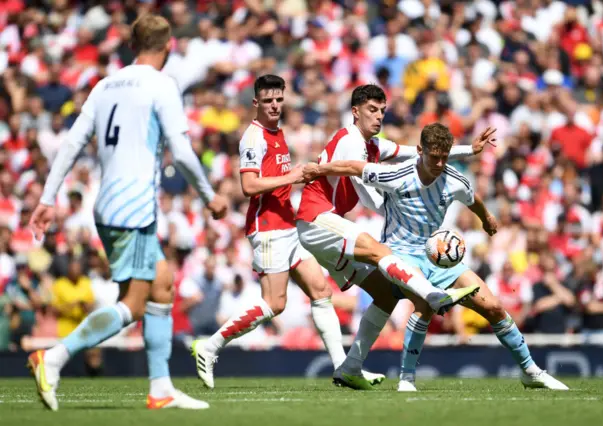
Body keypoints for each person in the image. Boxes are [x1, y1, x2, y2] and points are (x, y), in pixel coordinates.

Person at [27, 14, 228, 411]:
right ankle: (53, 357)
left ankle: (161, 388)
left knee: (163, 284)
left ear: (132, 45)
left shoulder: (104, 85)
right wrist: (208, 195)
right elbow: (182, 149)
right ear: (168, 47)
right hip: (134, 208)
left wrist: (48, 199)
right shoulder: (162, 84)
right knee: (132, 305)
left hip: (108, 203)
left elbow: (71, 144)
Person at [303, 123, 569, 392]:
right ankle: (407, 380)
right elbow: (354, 168)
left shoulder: (454, 179)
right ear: (420, 151)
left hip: (438, 257)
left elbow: (472, 198)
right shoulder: (396, 175)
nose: (440, 163)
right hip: (400, 256)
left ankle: (531, 371)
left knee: (494, 307)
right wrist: (319, 169)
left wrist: (486, 218)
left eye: (444, 156)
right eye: (434, 157)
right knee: (424, 304)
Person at [190, 75, 385, 389]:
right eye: (268, 101)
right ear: (256, 103)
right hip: (267, 227)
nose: (274, 106)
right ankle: (210, 346)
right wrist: (293, 176)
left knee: (321, 292)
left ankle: (343, 369)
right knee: (275, 303)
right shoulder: (253, 137)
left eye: (279, 100)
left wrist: (295, 177)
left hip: (287, 223)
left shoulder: (276, 132)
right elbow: (249, 186)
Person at [294, 84, 481, 390]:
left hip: (325, 225)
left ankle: (350, 368)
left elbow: (415, 152)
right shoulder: (350, 141)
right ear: (355, 112)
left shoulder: (373, 145)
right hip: (316, 219)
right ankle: (432, 293)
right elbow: (368, 197)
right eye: (372, 110)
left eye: (382, 110)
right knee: (378, 249)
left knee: (385, 293)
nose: (378, 116)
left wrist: (469, 150)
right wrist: (402, 209)